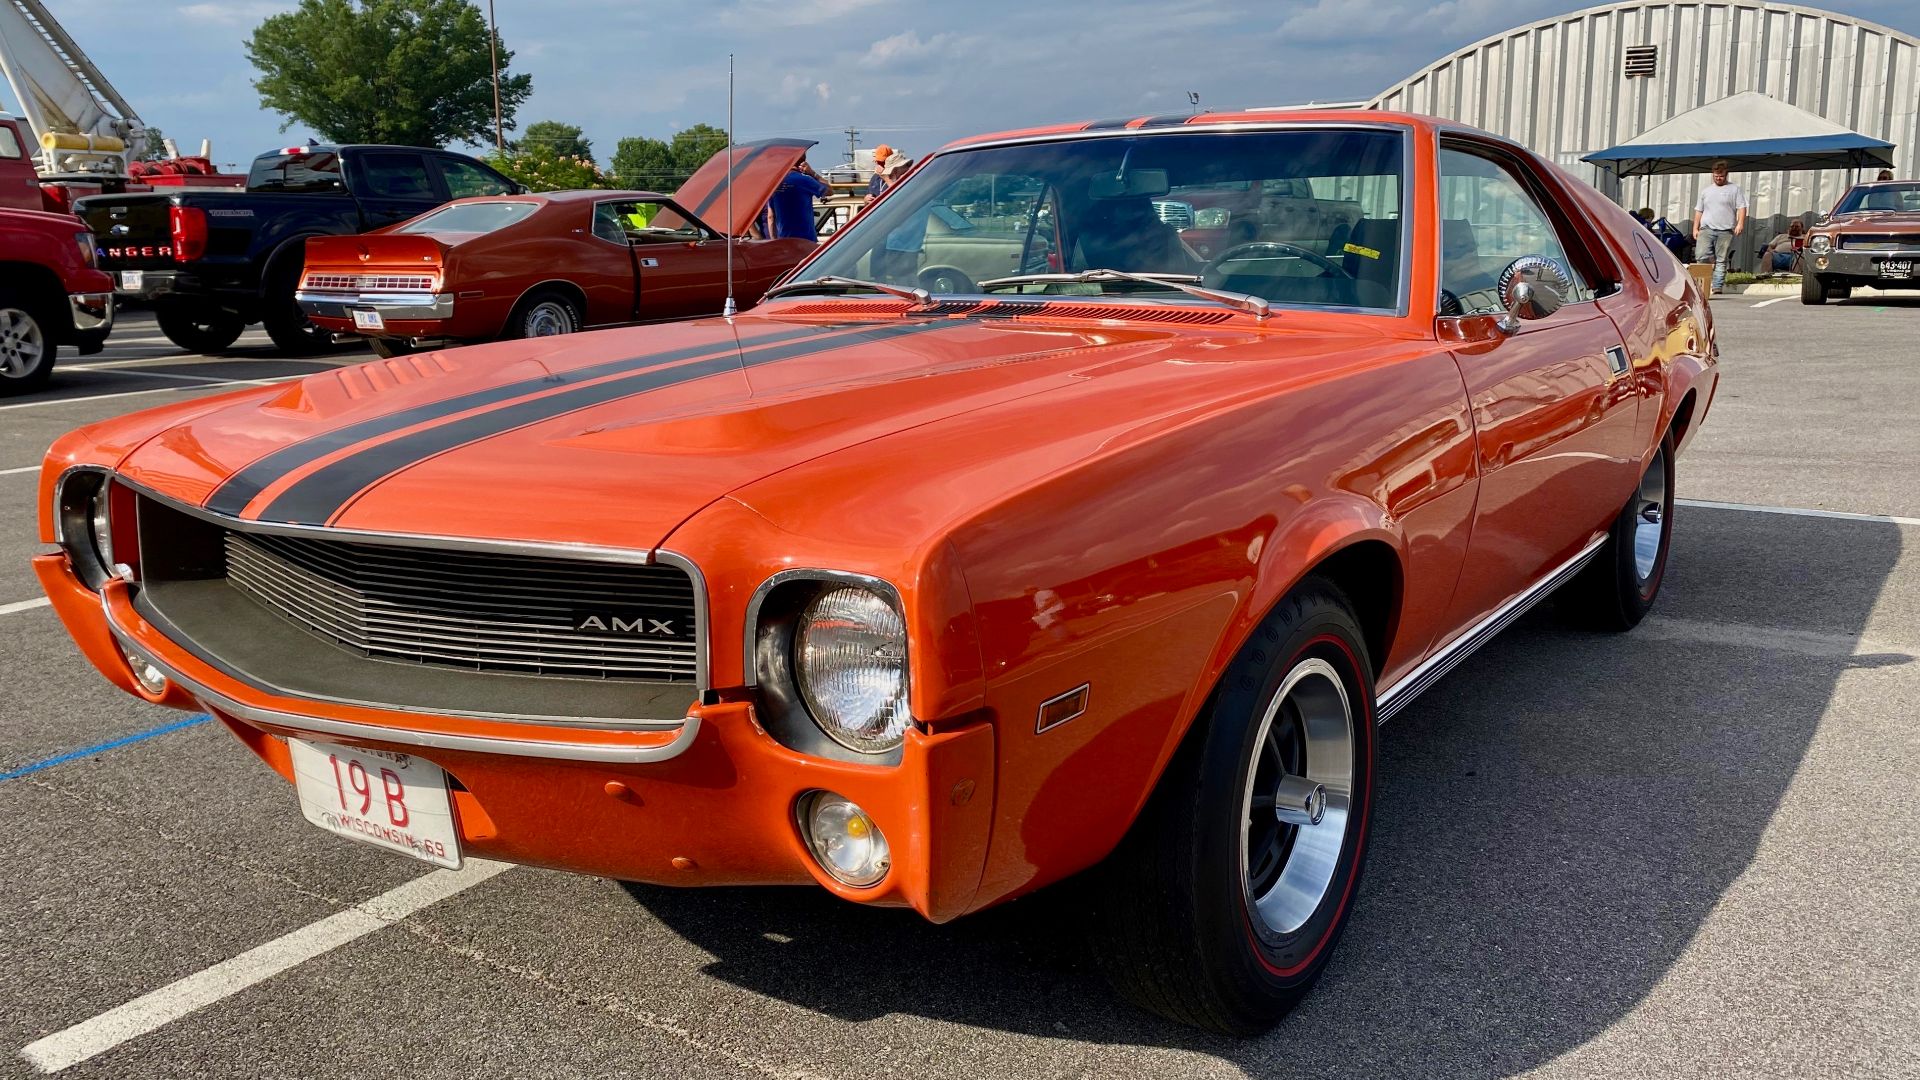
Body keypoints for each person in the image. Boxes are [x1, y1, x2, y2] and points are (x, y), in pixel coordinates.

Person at [1692, 160, 1748, 294]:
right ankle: (1702, 284)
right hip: (1706, 228)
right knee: (1701, 256)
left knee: (1722, 259)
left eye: (1721, 176)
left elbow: (1741, 207)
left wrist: (1740, 223)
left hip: (1725, 230)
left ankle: (1717, 286)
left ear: (1726, 175)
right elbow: (1699, 210)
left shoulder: (1734, 189)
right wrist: (1695, 228)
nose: (1718, 178)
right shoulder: (1706, 191)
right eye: (1716, 176)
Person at [767, 159, 828, 241]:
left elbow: (771, 217)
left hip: (784, 240)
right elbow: (829, 191)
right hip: (806, 240)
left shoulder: (775, 183)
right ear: (802, 163)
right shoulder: (805, 180)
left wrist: (774, 241)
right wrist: (812, 173)